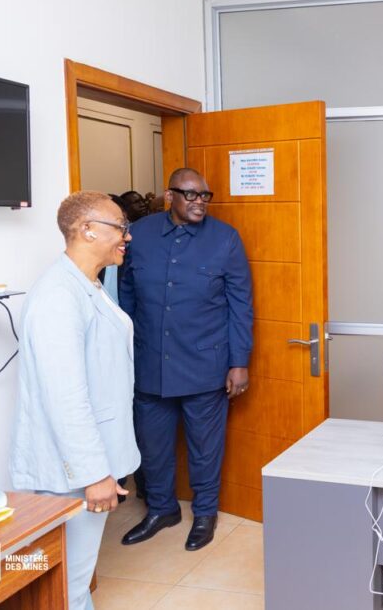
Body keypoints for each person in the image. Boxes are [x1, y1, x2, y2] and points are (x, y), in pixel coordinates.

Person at [9, 191, 140, 609]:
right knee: (67, 585)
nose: (127, 237)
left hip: (86, 464)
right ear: (86, 230)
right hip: (71, 473)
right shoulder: (58, 297)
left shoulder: (88, 285)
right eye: (120, 227)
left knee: (72, 579)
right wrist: (94, 474)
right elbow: (66, 396)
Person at [118, 167, 253, 551]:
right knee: (153, 447)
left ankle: (205, 513)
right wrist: (123, 353)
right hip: (150, 364)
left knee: (205, 449)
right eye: (191, 194)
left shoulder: (225, 239)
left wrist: (239, 362)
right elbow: (126, 297)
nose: (200, 202)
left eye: (205, 196)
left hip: (204, 365)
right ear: (169, 196)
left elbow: (241, 305)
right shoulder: (139, 234)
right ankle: (162, 510)